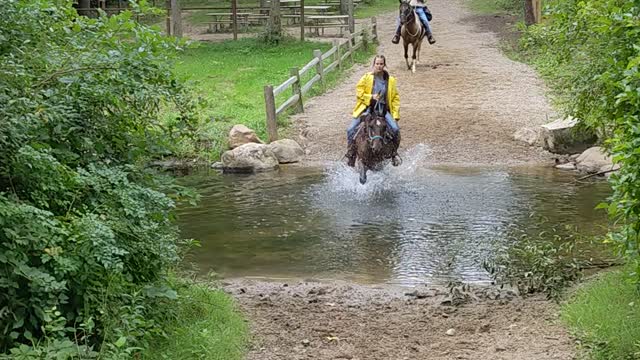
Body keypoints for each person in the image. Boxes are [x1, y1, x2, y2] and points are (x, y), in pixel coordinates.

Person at [345, 55, 400, 167]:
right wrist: (371, 97)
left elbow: (395, 98)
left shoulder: (391, 80)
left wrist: (395, 115)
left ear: (384, 65)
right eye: (377, 64)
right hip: (367, 108)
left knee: (395, 129)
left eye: (381, 64)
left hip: (383, 109)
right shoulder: (366, 78)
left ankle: (394, 153)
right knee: (350, 129)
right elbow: (359, 93)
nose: (379, 66)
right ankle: (351, 153)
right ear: (373, 65)